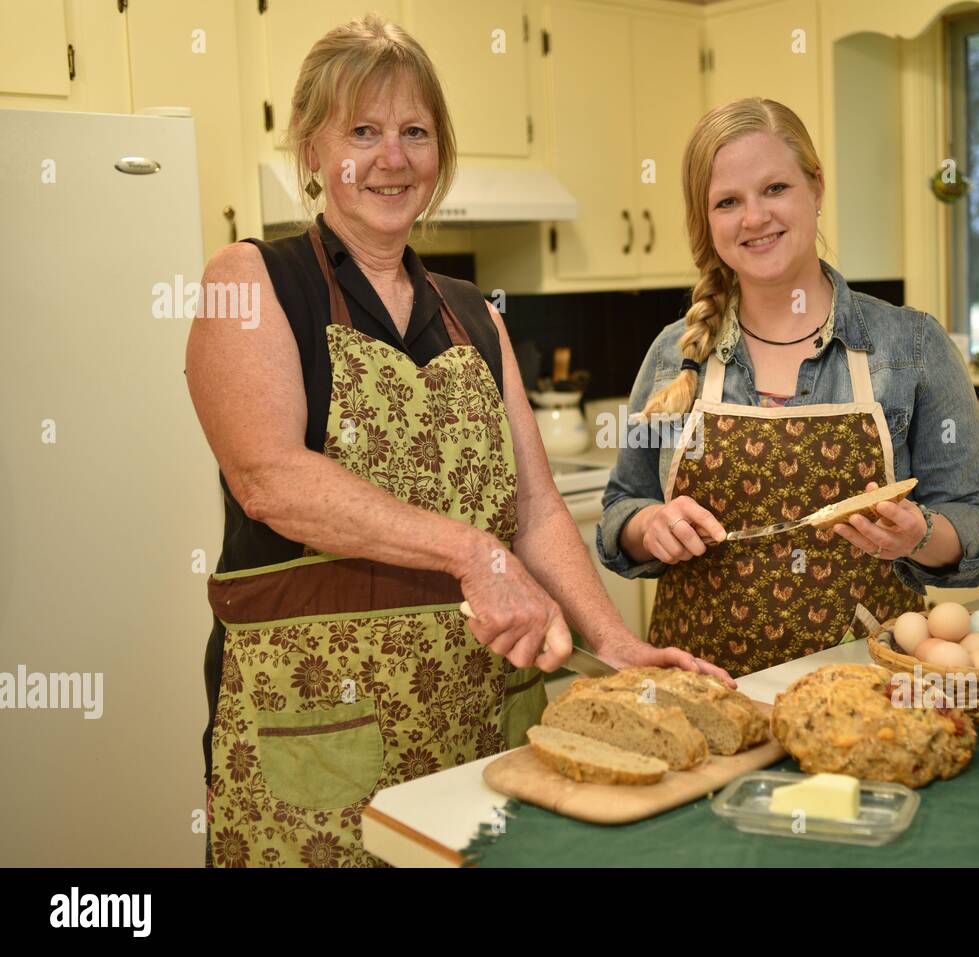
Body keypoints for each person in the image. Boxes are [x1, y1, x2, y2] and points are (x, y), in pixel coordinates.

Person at [186, 15, 730, 868]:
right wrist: (476, 556)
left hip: (483, 734)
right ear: (311, 147)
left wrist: (613, 644)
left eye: (415, 132)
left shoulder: (474, 314)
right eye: (362, 131)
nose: (392, 157)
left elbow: (538, 508)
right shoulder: (251, 281)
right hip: (317, 742)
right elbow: (272, 481)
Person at [598, 98, 979, 677]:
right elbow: (621, 507)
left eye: (775, 189)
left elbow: (975, 518)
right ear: (706, 221)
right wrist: (648, 528)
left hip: (866, 690)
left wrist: (921, 536)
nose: (754, 218)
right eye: (728, 202)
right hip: (704, 693)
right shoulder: (674, 354)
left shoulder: (911, 347)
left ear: (815, 188)